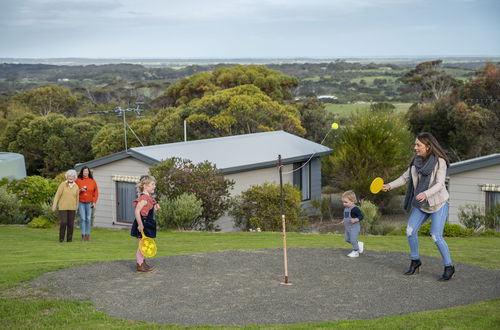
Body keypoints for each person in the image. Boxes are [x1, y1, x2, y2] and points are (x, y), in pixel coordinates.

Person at [382, 132, 454, 281]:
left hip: (438, 204)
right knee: (409, 231)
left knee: (436, 236)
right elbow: (404, 178)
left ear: (428, 146)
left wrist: (426, 194)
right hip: (422, 205)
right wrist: (388, 185)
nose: (415, 147)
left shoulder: (439, 162)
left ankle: (449, 267)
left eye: (418, 145)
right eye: (415, 144)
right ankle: (415, 261)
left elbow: (440, 184)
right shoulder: (416, 162)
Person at [130, 175, 160, 273]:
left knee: (145, 243)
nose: (154, 186)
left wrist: (155, 205)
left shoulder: (149, 198)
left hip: (148, 222)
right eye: (152, 184)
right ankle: (139, 264)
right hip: (143, 223)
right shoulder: (143, 199)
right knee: (142, 244)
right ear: (145, 186)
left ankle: (142, 262)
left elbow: (152, 204)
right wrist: (140, 225)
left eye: (154, 184)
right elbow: (137, 211)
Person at [52, 169, 80, 243]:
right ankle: (61, 239)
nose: (70, 177)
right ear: (67, 176)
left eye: (72, 176)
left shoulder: (76, 186)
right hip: (63, 207)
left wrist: (76, 208)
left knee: (70, 224)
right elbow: (57, 195)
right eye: (69, 176)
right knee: (64, 222)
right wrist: (54, 205)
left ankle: (69, 240)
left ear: (75, 177)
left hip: (72, 208)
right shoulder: (62, 185)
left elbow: (77, 199)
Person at [76, 166, 99, 241]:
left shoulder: (92, 181)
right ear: (82, 172)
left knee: (88, 219)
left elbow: (96, 192)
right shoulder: (78, 180)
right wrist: (80, 190)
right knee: (83, 218)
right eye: (84, 171)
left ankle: (87, 235)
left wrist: (94, 202)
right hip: (81, 202)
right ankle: (83, 235)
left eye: (87, 171)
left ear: (88, 172)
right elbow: (75, 191)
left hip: (89, 203)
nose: (86, 172)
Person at [341, 190, 364, 258]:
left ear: (352, 201)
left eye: (346, 202)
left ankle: (355, 251)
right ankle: (359, 244)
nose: (344, 203)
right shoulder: (346, 208)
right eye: (343, 202)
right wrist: (343, 220)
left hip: (354, 228)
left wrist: (355, 219)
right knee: (347, 239)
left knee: (353, 240)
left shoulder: (355, 209)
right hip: (347, 228)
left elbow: (361, 216)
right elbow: (346, 217)